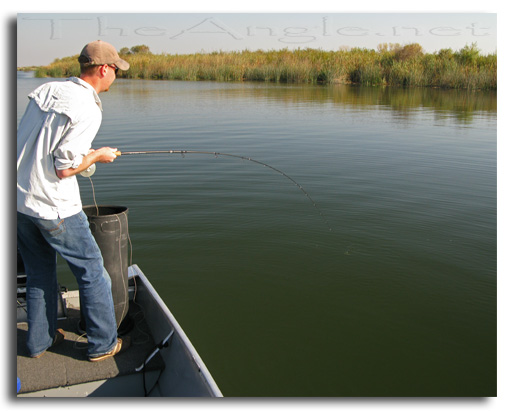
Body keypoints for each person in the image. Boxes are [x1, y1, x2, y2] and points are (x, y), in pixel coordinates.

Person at [17, 40, 130, 362]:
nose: (115, 78)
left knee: (39, 273)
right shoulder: (87, 107)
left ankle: (40, 341)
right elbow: (64, 169)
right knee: (93, 272)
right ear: (103, 69)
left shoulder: (49, 89)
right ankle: (102, 344)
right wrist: (99, 155)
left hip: (19, 199)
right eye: (115, 71)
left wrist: (87, 157)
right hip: (54, 206)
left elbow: (48, 146)